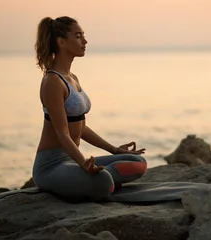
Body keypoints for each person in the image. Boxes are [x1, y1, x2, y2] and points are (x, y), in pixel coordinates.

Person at [32, 16, 147, 201]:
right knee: (102, 181)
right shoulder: (52, 82)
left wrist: (115, 150)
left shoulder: (72, 78)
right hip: (51, 166)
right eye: (78, 36)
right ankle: (94, 179)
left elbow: (80, 127)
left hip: (71, 161)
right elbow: (62, 133)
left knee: (138, 162)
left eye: (83, 36)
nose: (84, 41)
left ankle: (87, 179)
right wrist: (83, 163)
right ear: (61, 42)